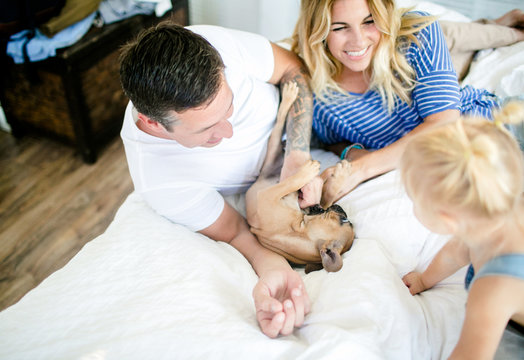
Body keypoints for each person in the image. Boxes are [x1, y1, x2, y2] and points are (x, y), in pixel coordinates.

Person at [118, 22, 322, 338]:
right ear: (154, 125)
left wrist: (297, 150)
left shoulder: (214, 44)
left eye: (229, 106)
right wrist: (275, 271)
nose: (228, 132)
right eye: (206, 131)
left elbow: (293, 69)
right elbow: (236, 232)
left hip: (306, 125)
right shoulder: (158, 179)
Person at [290, 0, 522, 207]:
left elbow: (444, 124)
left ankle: (503, 27)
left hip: (498, 125)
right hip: (461, 168)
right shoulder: (317, 97)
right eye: (340, 27)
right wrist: (352, 153)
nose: (358, 40)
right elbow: (333, 141)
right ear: (318, 30)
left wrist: (361, 169)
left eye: (369, 21)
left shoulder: (418, 34)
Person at [400, 102, 524, 359]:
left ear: (448, 221)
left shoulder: (493, 288)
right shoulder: (492, 213)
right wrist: (424, 279)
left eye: (414, 199)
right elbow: (455, 253)